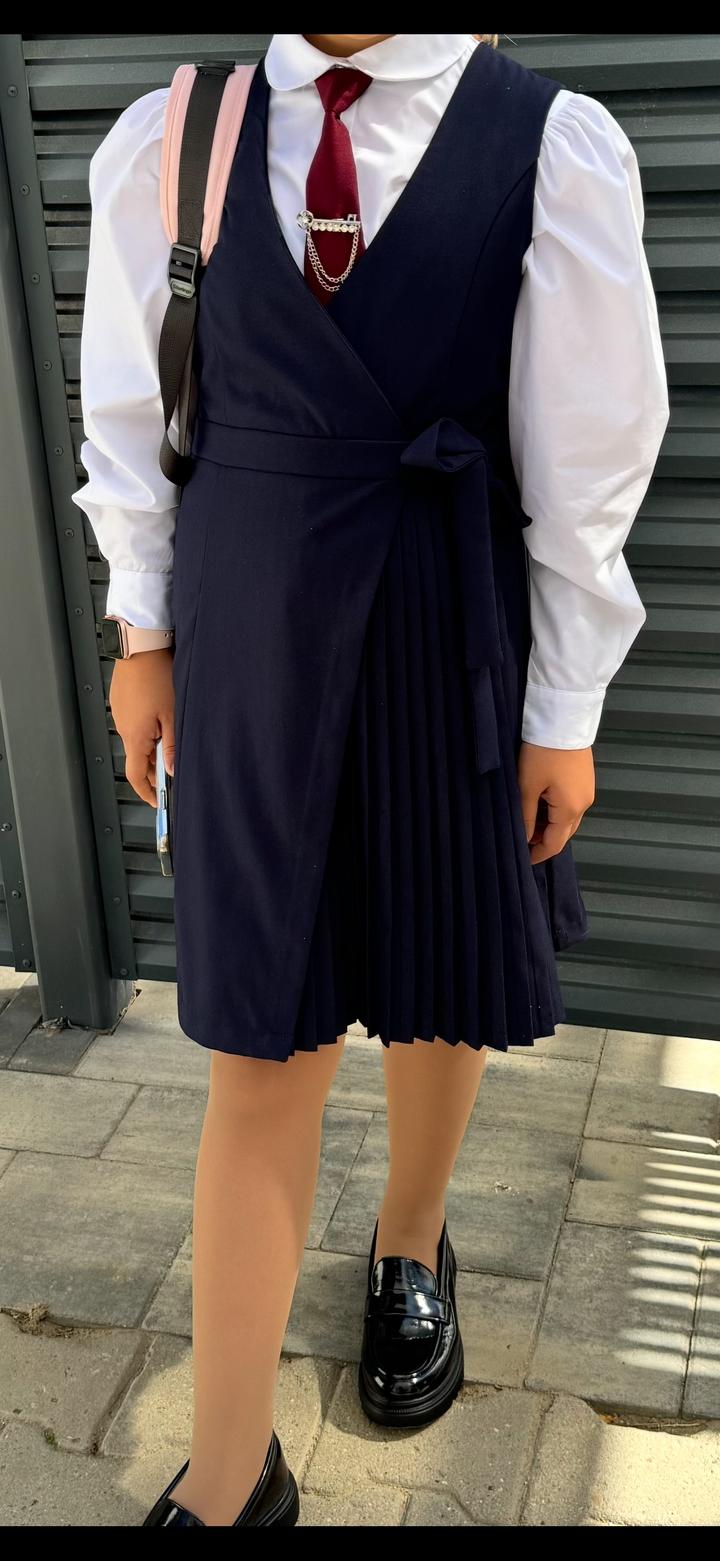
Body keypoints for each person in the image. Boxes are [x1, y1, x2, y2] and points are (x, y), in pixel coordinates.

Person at [72, 32, 670, 1527]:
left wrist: (565, 705)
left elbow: (589, 448)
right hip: (251, 630)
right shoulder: (179, 135)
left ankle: (411, 1240)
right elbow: (133, 410)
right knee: (257, 1035)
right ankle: (229, 1479)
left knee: (436, 965)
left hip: (443, 616)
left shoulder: (547, 143)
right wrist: (141, 633)